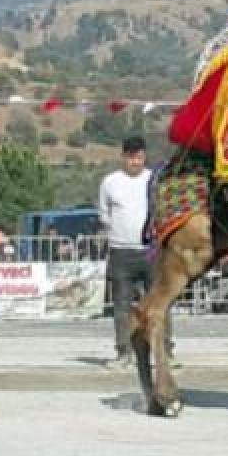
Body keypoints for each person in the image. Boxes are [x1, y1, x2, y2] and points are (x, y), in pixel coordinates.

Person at [99, 136, 171, 368]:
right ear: (123, 157)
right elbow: (104, 213)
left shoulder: (154, 179)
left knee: (159, 303)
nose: (135, 161)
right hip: (121, 252)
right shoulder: (110, 182)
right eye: (130, 157)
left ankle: (164, 351)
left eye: (139, 156)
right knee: (121, 305)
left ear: (144, 156)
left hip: (150, 251)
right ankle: (123, 351)